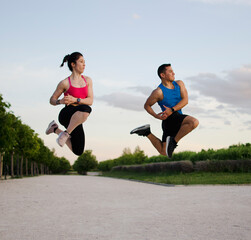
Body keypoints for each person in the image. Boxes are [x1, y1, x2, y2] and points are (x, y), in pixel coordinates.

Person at [130, 63, 199, 158]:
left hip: (177, 117)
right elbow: (147, 105)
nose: (173, 73)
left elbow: (185, 100)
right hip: (169, 119)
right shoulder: (158, 92)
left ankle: (146, 132)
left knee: (164, 151)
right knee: (193, 122)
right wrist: (156, 116)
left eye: (173, 71)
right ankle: (173, 142)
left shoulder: (179, 84)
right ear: (163, 75)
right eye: (170, 72)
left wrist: (172, 109)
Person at [45, 52, 93, 156]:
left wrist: (76, 99)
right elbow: (52, 100)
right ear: (73, 64)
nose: (84, 64)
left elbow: (90, 101)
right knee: (86, 109)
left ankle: (55, 129)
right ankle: (66, 133)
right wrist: (59, 101)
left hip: (78, 117)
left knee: (78, 151)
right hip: (67, 114)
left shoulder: (88, 80)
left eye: (84, 62)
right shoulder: (65, 83)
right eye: (81, 62)